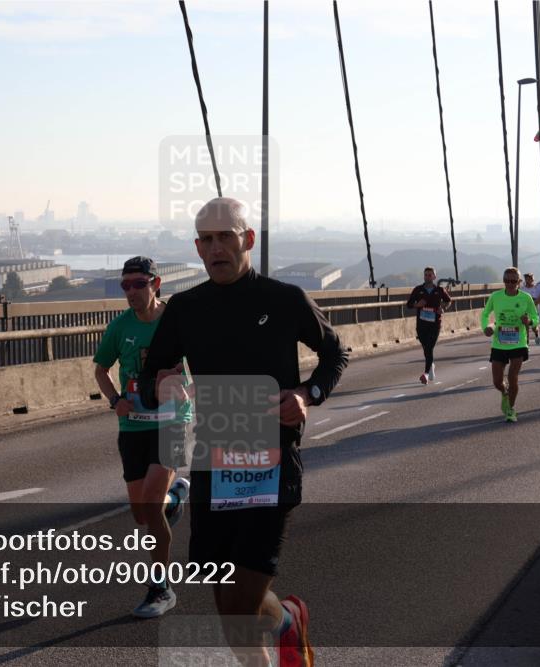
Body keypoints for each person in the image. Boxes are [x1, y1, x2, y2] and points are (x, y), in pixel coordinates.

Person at [139, 198, 349, 667]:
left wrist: (307, 395)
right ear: (197, 247)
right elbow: (151, 380)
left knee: (241, 608)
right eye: (206, 240)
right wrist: (162, 385)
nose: (216, 248)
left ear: (247, 239)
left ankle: (283, 627)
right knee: (230, 606)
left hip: (270, 470)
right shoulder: (185, 308)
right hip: (215, 468)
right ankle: (289, 620)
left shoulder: (285, 299)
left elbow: (336, 355)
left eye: (225, 237)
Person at [93, 256, 192, 618]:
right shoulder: (120, 327)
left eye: (138, 284)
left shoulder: (177, 323)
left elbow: (206, 361)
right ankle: (174, 500)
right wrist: (115, 400)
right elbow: (101, 370)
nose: (131, 292)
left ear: (156, 283)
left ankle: (160, 587)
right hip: (132, 425)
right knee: (142, 514)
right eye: (125, 285)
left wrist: (190, 387)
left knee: (149, 505)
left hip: (173, 422)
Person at [481, 268, 539, 423]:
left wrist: (530, 322)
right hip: (499, 344)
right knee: (497, 382)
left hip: (518, 342)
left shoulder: (526, 298)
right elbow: (485, 314)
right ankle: (505, 392)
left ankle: (511, 409)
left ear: (519, 282)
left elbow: (535, 317)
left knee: (513, 377)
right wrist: (485, 327)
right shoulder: (496, 296)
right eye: (507, 281)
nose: (510, 284)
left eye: (514, 281)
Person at [406, 267, 452, 385]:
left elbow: (449, 301)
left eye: (430, 275)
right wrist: (417, 305)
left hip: (435, 324)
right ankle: (431, 365)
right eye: (426, 275)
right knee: (426, 348)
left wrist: (443, 308)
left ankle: (425, 374)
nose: (428, 277)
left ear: (434, 277)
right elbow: (409, 304)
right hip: (421, 325)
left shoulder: (440, 290)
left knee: (429, 348)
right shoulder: (418, 290)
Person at [521, 273, 540, 344]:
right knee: (525, 327)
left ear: (533, 279)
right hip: (524, 311)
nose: (529, 280)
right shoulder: (522, 289)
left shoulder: (536, 288)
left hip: (534, 311)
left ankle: (536, 334)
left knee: (534, 328)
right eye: (527, 278)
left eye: (530, 278)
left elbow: (538, 300)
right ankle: (526, 342)